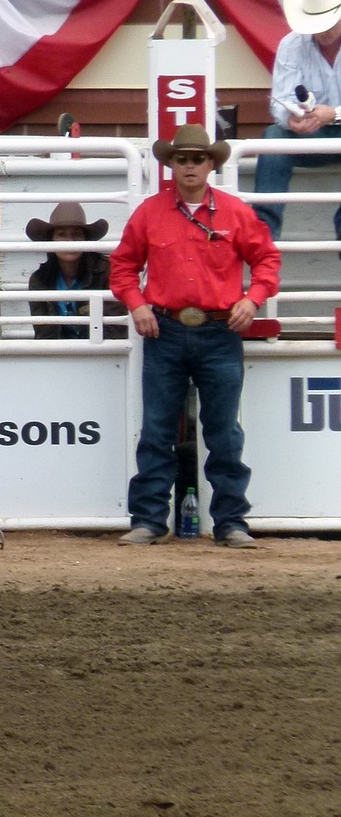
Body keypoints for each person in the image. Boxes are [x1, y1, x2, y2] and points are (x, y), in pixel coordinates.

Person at [109, 125, 280, 548]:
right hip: (165, 328)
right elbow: (123, 267)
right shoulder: (149, 213)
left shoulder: (236, 213)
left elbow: (267, 260)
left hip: (220, 328)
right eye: (182, 159)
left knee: (223, 430)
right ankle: (150, 519)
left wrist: (253, 299)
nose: (189, 166)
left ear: (211, 165)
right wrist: (138, 304)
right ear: (170, 166)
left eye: (197, 159)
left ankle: (231, 521)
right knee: (157, 428)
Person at [252, 0, 341, 240]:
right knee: (275, 134)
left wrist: (333, 114)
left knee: (274, 136)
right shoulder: (291, 45)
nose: (322, 32)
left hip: (326, 129)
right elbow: (282, 100)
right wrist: (291, 119)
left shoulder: (292, 45)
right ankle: (264, 234)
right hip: (313, 135)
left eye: (327, 24)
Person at [24, 202, 127, 340]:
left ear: (85, 239)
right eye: (62, 235)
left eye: (76, 235)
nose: (70, 241)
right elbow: (44, 333)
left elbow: (114, 329)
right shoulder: (40, 279)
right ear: (51, 240)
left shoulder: (107, 271)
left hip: (101, 354)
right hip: (59, 356)